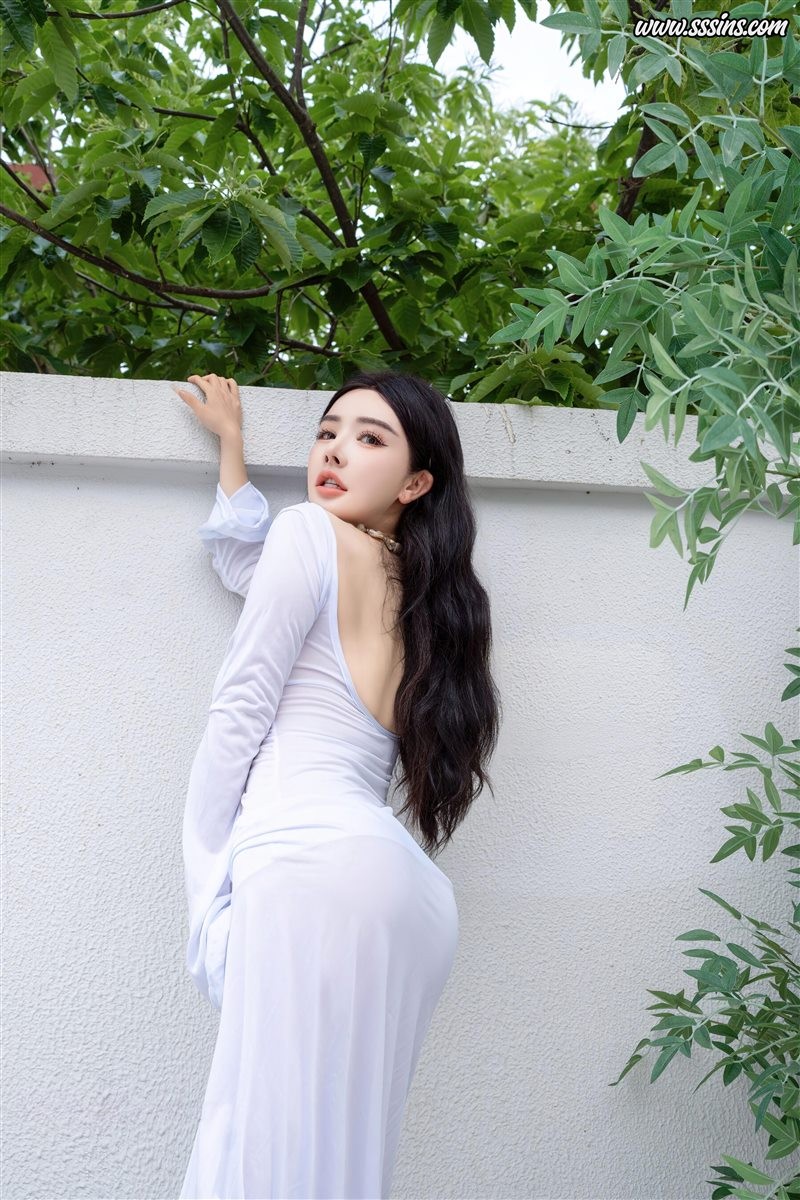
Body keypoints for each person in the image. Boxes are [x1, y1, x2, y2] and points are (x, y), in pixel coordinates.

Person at [172, 369, 501, 1199]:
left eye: (369, 438)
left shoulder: (310, 536)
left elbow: (239, 711)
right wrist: (235, 451)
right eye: (326, 433)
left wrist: (207, 885)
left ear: (416, 482)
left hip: (309, 868)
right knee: (340, 1164)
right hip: (405, 899)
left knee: (255, 1149)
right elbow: (253, 572)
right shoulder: (430, 603)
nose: (334, 451)